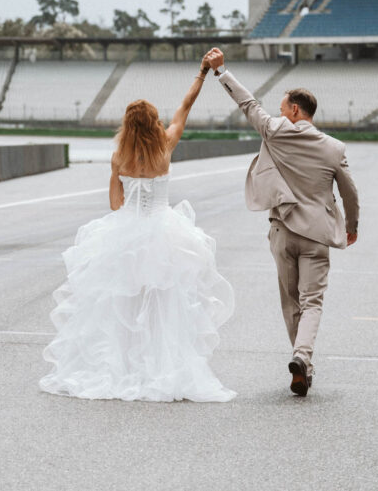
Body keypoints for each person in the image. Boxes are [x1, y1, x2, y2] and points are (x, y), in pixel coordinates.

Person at [39, 54, 235, 402]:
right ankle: (161, 366)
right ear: (154, 122)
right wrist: (202, 73)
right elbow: (185, 106)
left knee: (123, 303)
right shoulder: (166, 146)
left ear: (127, 127)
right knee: (164, 304)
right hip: (164, 231)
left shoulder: (118, 157)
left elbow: (115, 204)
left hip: (126, 232)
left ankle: (124, 367)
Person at [205, 47, 358, 397]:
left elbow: (247, 104)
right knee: (312, 302)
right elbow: (350, 192)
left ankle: (301, 361)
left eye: (282, 108)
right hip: (318, 235)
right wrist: (352, 226)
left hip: (283, 233)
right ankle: (302, 357)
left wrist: (221, 71)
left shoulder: (276, 131)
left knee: (291, 303)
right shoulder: (334, 148)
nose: (278, 113)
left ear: (294, 110)